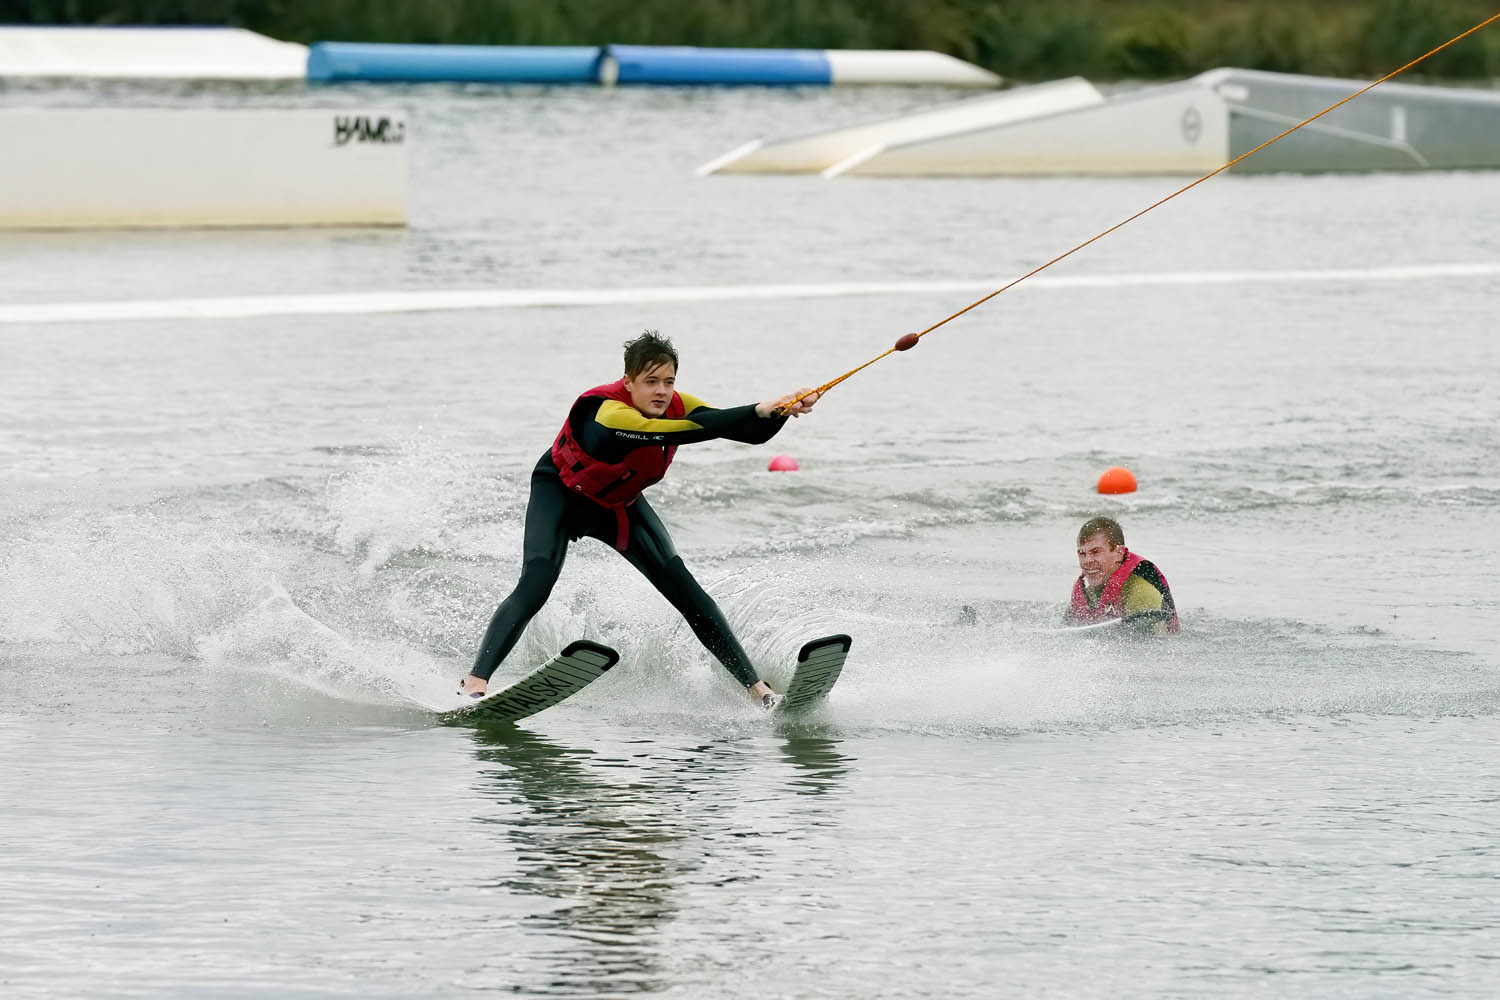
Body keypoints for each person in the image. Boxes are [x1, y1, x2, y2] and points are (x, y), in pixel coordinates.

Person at [460, 330, 819, 707]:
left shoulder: (679, 405)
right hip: (561, 496)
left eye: (669, 381)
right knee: (536, 583)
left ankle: (758, 691)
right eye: (651, 382)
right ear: (628, 382)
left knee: (689, 594)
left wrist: (783, 410)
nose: (661, 391)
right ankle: (474, 683)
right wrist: (758, 408)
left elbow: (746, 432)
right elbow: (670, 431)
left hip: (619, 507)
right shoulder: (605, 412)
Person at [1065, 516, 1180, 635]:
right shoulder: (1087, 595)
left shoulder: (1141, 592)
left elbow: (1150, 648)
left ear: (1119, 553)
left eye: (1096, 552)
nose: (1087, 560)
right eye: (1082, 553)